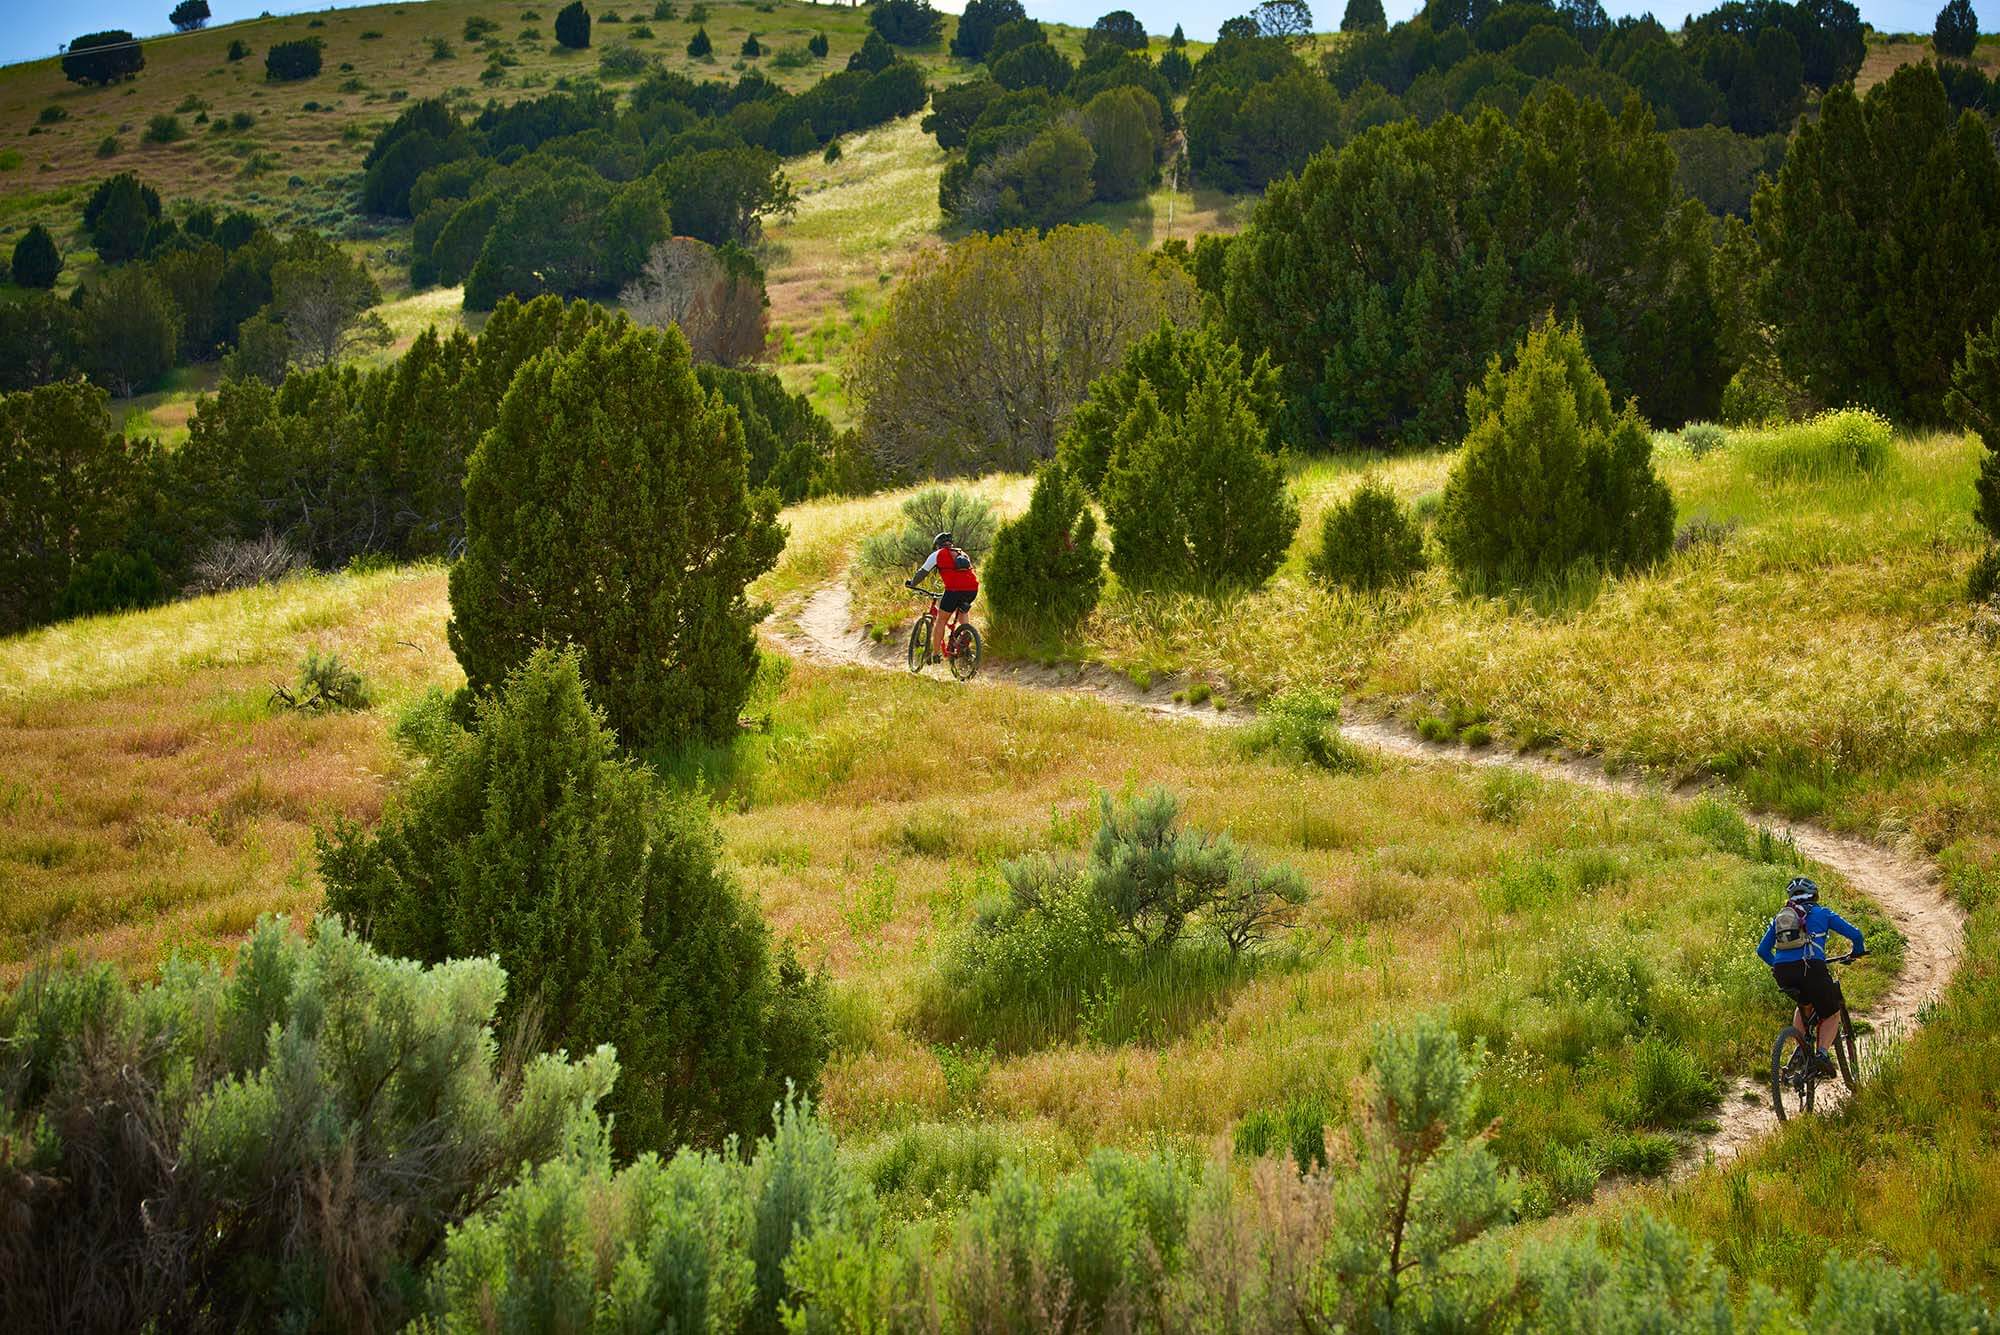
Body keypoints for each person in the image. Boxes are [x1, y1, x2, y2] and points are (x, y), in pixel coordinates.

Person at [1756, 875, 1865, 1077]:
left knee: (1803, 1003)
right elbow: (1856, 934)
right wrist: (1857, 951)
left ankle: (1800, 1049)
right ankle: (1822, 1055)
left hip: (1783, 972)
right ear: (1814, 895)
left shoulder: (1781, 917)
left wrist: (1776, 965)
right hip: (1812, 968)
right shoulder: (1822, 913)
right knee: (1831, 1013)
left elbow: (1762, 950)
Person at [907, 530, 978, 662]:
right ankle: (965, 636)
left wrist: (912, 583)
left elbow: (922, 572)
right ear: (951, 544)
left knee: (941, 620)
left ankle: (935, 654)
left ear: (937, 545)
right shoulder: (962, 553)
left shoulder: (937, 554)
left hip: (953, 590)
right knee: (962, 610)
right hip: (972, 589)